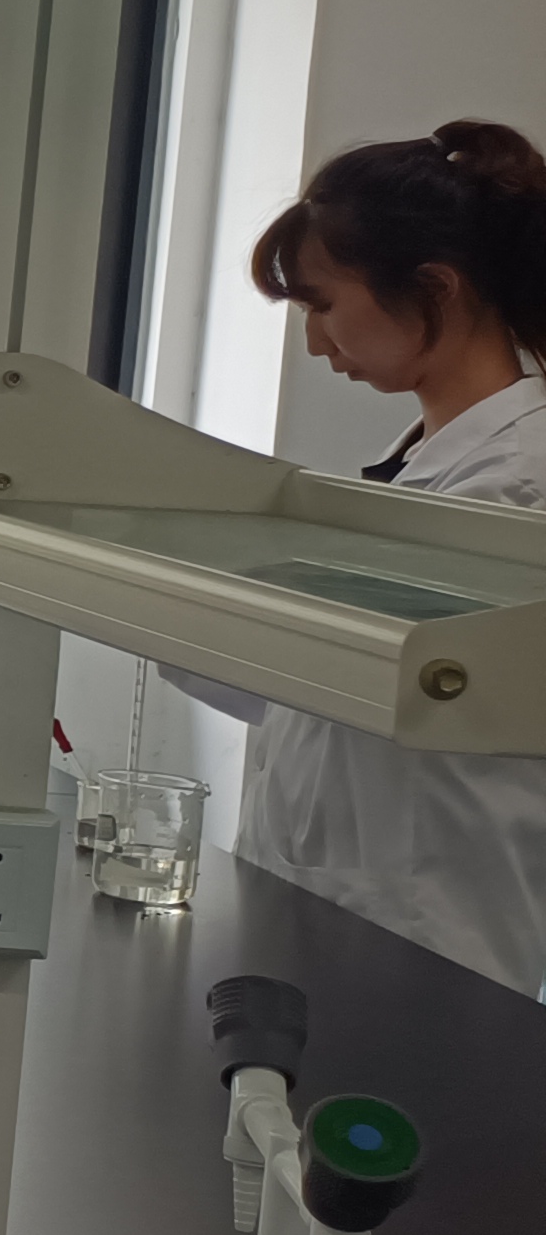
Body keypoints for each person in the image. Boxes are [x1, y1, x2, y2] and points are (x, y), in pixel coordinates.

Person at [182, 121, 546, 991]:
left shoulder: (517, 487)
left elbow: (376, 676)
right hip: (331, 906)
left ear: (434, 288)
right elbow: (305, 681)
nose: (316, 341)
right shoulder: (423, 467)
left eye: (321, 305)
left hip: (428, 931)